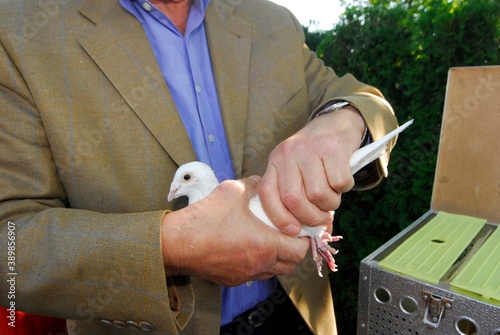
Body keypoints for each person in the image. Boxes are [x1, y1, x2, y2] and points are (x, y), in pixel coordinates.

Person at [0, 0, 398, 334]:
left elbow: (360, 99)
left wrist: (342, 121)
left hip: (297, 314)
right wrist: (171, 246)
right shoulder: (18, 29)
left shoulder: (270, 19)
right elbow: (10, 245)